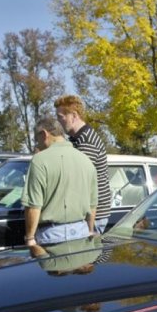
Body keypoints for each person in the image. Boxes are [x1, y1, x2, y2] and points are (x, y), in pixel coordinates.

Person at [22, 115, 97, 247]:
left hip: (51, 236)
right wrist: (90, 230)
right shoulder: (86, 160)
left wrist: (30, 238)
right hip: (82, 232)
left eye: (36, 139)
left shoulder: (39, 160)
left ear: (44, 134)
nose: (37, 144)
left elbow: (33, 205)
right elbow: (92, 204)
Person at [55, 95, 111, 235]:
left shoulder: (86, 140)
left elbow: (80, 181)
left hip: (92, 216)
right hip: (88, 213)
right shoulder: (76, 139)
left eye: (60, 117)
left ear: (74, 115)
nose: (58, 122)